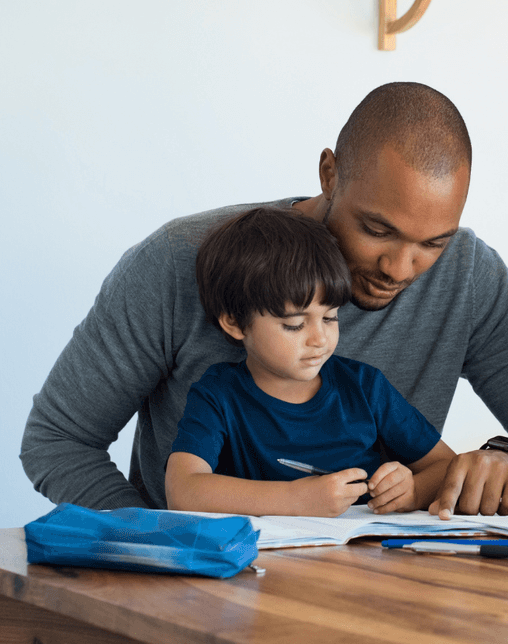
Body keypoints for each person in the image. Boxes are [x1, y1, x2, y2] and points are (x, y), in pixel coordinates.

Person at [21, 82, 508, 517]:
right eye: (377, 230)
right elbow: (57, 440)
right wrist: (160, 544)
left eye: (433, 242)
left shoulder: (468, 275)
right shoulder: (179, 262)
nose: (401, 269)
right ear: (330, 173)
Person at [165, 208, 455, 517]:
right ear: (235, 323)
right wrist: (295, 499)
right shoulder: (218, 395)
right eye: (294, 325)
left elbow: (447, 466)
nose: (319, 339)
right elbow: (183, 491)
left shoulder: (364, 387)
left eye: (330, 317)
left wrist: (412, 491)